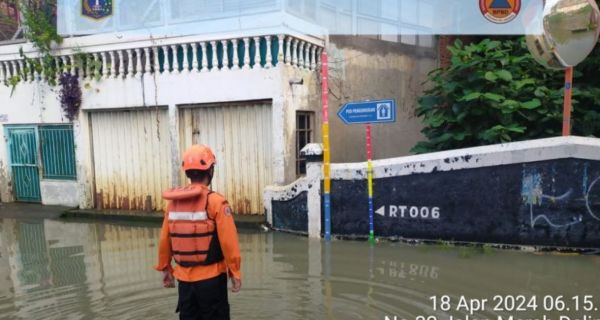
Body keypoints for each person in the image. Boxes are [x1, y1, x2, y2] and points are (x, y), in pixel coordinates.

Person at [155, 144, 241, 320]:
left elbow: (165, 240)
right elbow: (228, 242)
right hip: (212, 281)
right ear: (210, 171)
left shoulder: (173, 205)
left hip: (185, 283)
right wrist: (235, 272)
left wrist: (166, 268)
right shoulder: (216, 202)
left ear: (187, 173)